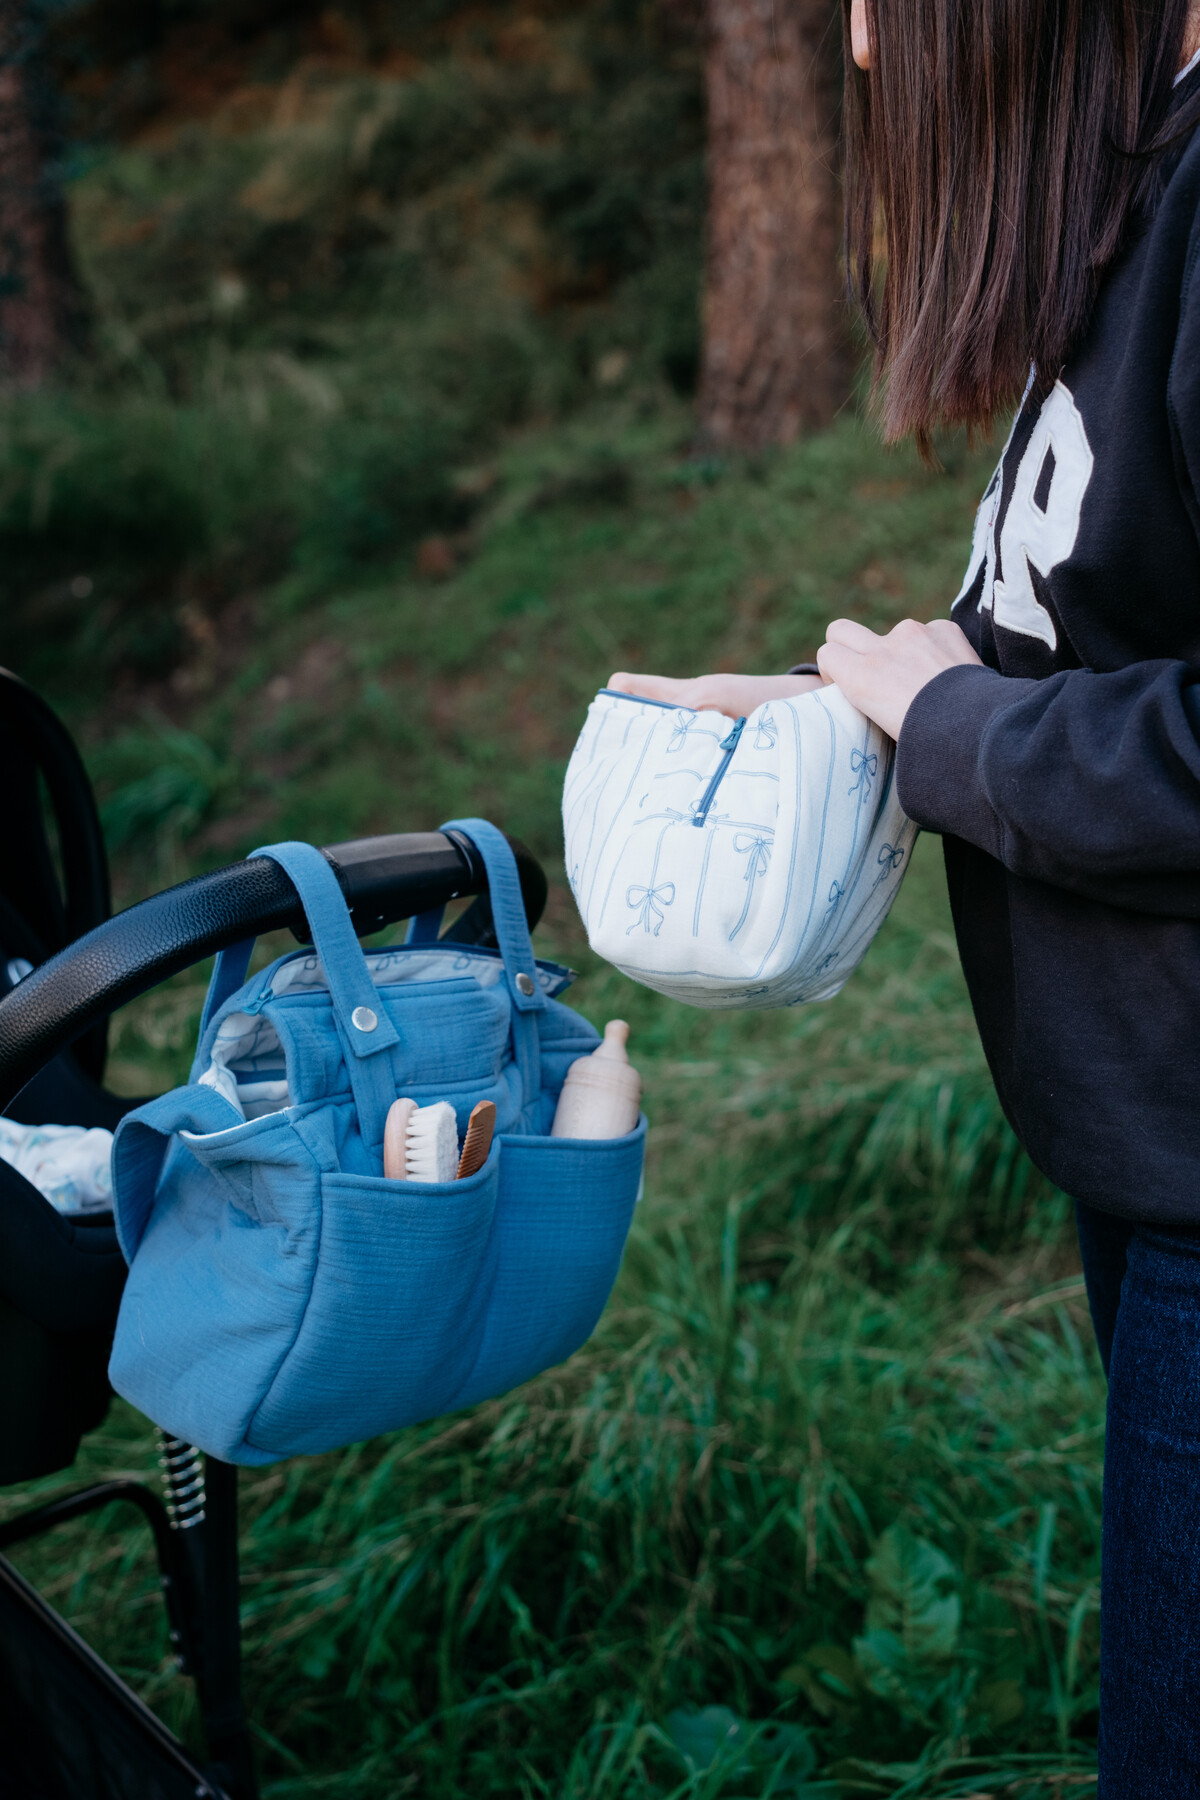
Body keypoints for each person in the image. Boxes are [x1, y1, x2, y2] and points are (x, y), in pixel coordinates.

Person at [607, 1, 1200, 1791]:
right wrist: (847, 723)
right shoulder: (1144, 182)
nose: (863, 48)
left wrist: (949, 730)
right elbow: (1097, 635)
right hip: (1152, 1150)